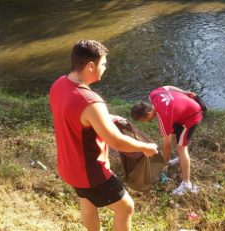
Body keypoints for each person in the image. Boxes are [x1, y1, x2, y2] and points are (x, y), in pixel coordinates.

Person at [49, 39, 158, 231]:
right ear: (91, 66)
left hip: (68, 166)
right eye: (104, 64)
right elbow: (116, 141)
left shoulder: (59, 84)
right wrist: (145, 147)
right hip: (90, 173)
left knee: (87, 202)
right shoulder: (91, 102)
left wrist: (104, 118)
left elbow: (74, 115)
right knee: (126, 208)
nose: (106, 68)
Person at [130, 86, 203, 195]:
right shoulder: (153, 95)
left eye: (144, 120)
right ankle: (180, 159)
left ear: (149, 114)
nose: (145, 122)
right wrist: (183, 92)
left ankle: (186, 184)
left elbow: (167, 146)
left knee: (181, 147)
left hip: (193, 115)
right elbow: (168, 87)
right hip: (182, 112)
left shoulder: (163, 118)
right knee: (174, 136)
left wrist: (164, 165)